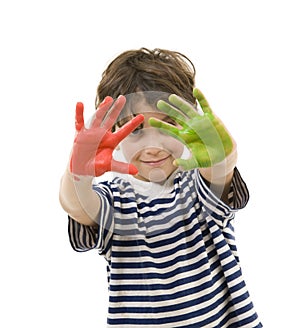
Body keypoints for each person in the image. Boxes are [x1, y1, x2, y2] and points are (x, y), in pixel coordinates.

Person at [59, 48, 262, 327]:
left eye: (168, 124)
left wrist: (224, 157)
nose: (152, 146)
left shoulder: (196, 186)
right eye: (136, 129)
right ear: (113, 134)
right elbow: (77, 205)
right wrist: (77, 173)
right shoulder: (115, 200)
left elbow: (220, 174)